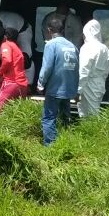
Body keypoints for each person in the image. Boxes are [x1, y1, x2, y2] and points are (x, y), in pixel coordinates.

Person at [36, 17, 79, 145]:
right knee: (65, 118)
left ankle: (50, 147)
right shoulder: (72, 47)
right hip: (67, 90)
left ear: (49, 30)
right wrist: (75, 90)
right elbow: (76, 70)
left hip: (54, 89)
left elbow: (47, 67)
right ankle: (64, 144)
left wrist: (40, 84)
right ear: (62, 29)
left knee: (49, 118)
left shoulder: (51, 45)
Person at [78, 19, 109, 117]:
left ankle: (92, 132)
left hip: (89, 84)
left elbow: (84, 70)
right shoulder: (104, 48)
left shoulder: (87, 47)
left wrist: (78, 89)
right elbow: (106, 70)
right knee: (93, 110)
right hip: (100, 83)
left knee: (89, 114)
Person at [0, 26, 29, 114]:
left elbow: (7, 60)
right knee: (16, 113)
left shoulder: (6, 44)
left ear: (5, 37)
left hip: (11, 83)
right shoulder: (17, 48)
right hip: (22, 84)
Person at [0, 9, 34, 81]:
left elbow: (8, 45)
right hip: (7, 27)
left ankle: (29, 84)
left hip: (23, 30)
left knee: (26, 59)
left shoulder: (10, 24)